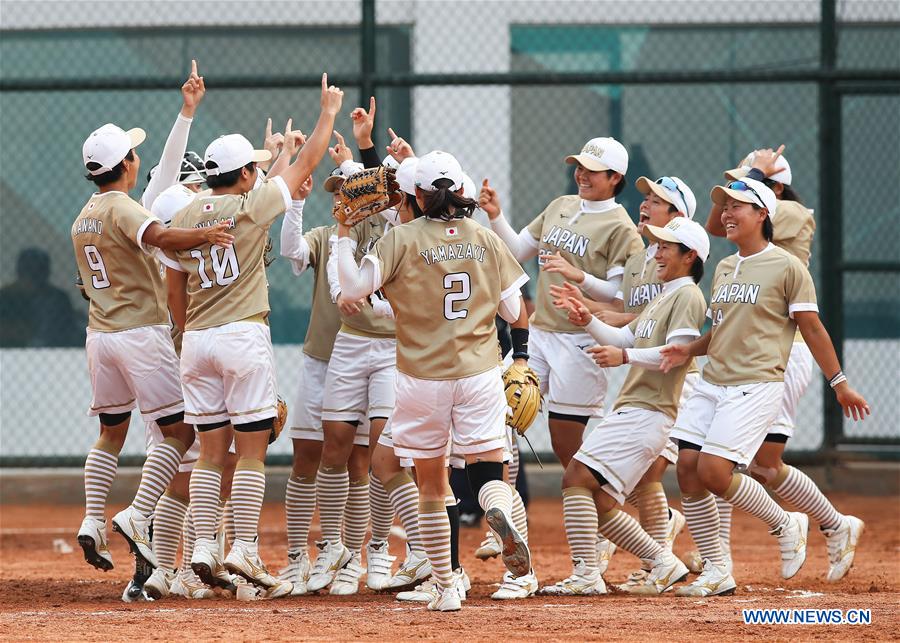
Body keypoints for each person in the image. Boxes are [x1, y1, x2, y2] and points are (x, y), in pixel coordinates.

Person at [160, 74, 343, 597]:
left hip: (197, 339)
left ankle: (201, 545)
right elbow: (303, 168)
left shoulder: (190, 209)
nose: (256, 176)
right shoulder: (248, 206)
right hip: (242, 337)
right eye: (253, 171)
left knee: (210, 452)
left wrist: (181, 333)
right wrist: (325, 115)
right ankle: (243, 547)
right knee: (253, 451)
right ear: (242, 175)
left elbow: (174, 277)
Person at [336, 150, 532, 612]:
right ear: (461, 192)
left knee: (431, 484)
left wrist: (344, 234)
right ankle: (497, 506)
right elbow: (514, 311)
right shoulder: (484, 238)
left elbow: (351, 290)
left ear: (417, 196)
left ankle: (445, 585)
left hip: (422, 376)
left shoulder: (400, 239)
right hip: (479, 370)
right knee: (486, 469)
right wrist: (519, 357)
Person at [661, 177, 870, 596]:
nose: (726, 213)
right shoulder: (723, 267)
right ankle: (718, 570)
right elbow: (721, 329)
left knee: (716, 471)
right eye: (724, 205)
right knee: (687, 469)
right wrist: (690, 351)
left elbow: (811, 328)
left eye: (737, 205)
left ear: (763, 214)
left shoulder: (787, 266)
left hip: (755, 384)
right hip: (714, 380)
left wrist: (840, 383)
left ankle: (786, 522)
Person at [72, 120, 233, 581]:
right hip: (140, 333)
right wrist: (206, 235)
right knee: (182, 432)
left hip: (99, 336)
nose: (137, 160)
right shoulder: (123, 208)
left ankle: (92, 518)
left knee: (111, 432)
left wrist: (187, 113)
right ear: (125, 164)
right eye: (133, 154)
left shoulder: (82, 215)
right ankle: (138, 513)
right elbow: (160, 237)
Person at [544, 217, 710, 596]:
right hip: (637, 407)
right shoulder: (666, 294)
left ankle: (587, 574)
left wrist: (624, 356)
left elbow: (677, 354)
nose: (657, 252)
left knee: (575, 478)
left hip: (650, 409)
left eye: (667, 247)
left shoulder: (687, 295)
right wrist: (587, 319)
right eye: (658, 245)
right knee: (599, 499)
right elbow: (622, 335)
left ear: (690, 257)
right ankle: (663, 562)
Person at [479, 137, 643, 469]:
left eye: (593, 170)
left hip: (580, 339)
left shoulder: (622, 228)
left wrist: (579, 277)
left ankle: (603, 505)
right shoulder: (561, 205)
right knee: (498, 418)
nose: (582, 174)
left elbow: (618, 298)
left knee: (565, 443)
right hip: (539, 333)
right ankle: (508, 513)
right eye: (580, 167)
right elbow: (517, 250)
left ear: (615, 177)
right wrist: (495, 217)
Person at [277, 168, 343, 595]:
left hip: (370, 359)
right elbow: (290, 251)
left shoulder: (391, 236)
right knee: (305, 455)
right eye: (337, 192)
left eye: (350, 191)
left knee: (356, 461)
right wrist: (297, 203)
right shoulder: (324, 235)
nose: (341, 199)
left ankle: (343, 549)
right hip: (320, 359)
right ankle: (298, 557)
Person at [0, 247, 83, 347]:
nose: (32, 281)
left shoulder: (57, 298)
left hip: (53, 349)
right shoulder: (6, 296)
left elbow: (69, 328)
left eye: (36, 275)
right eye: (28, 273)